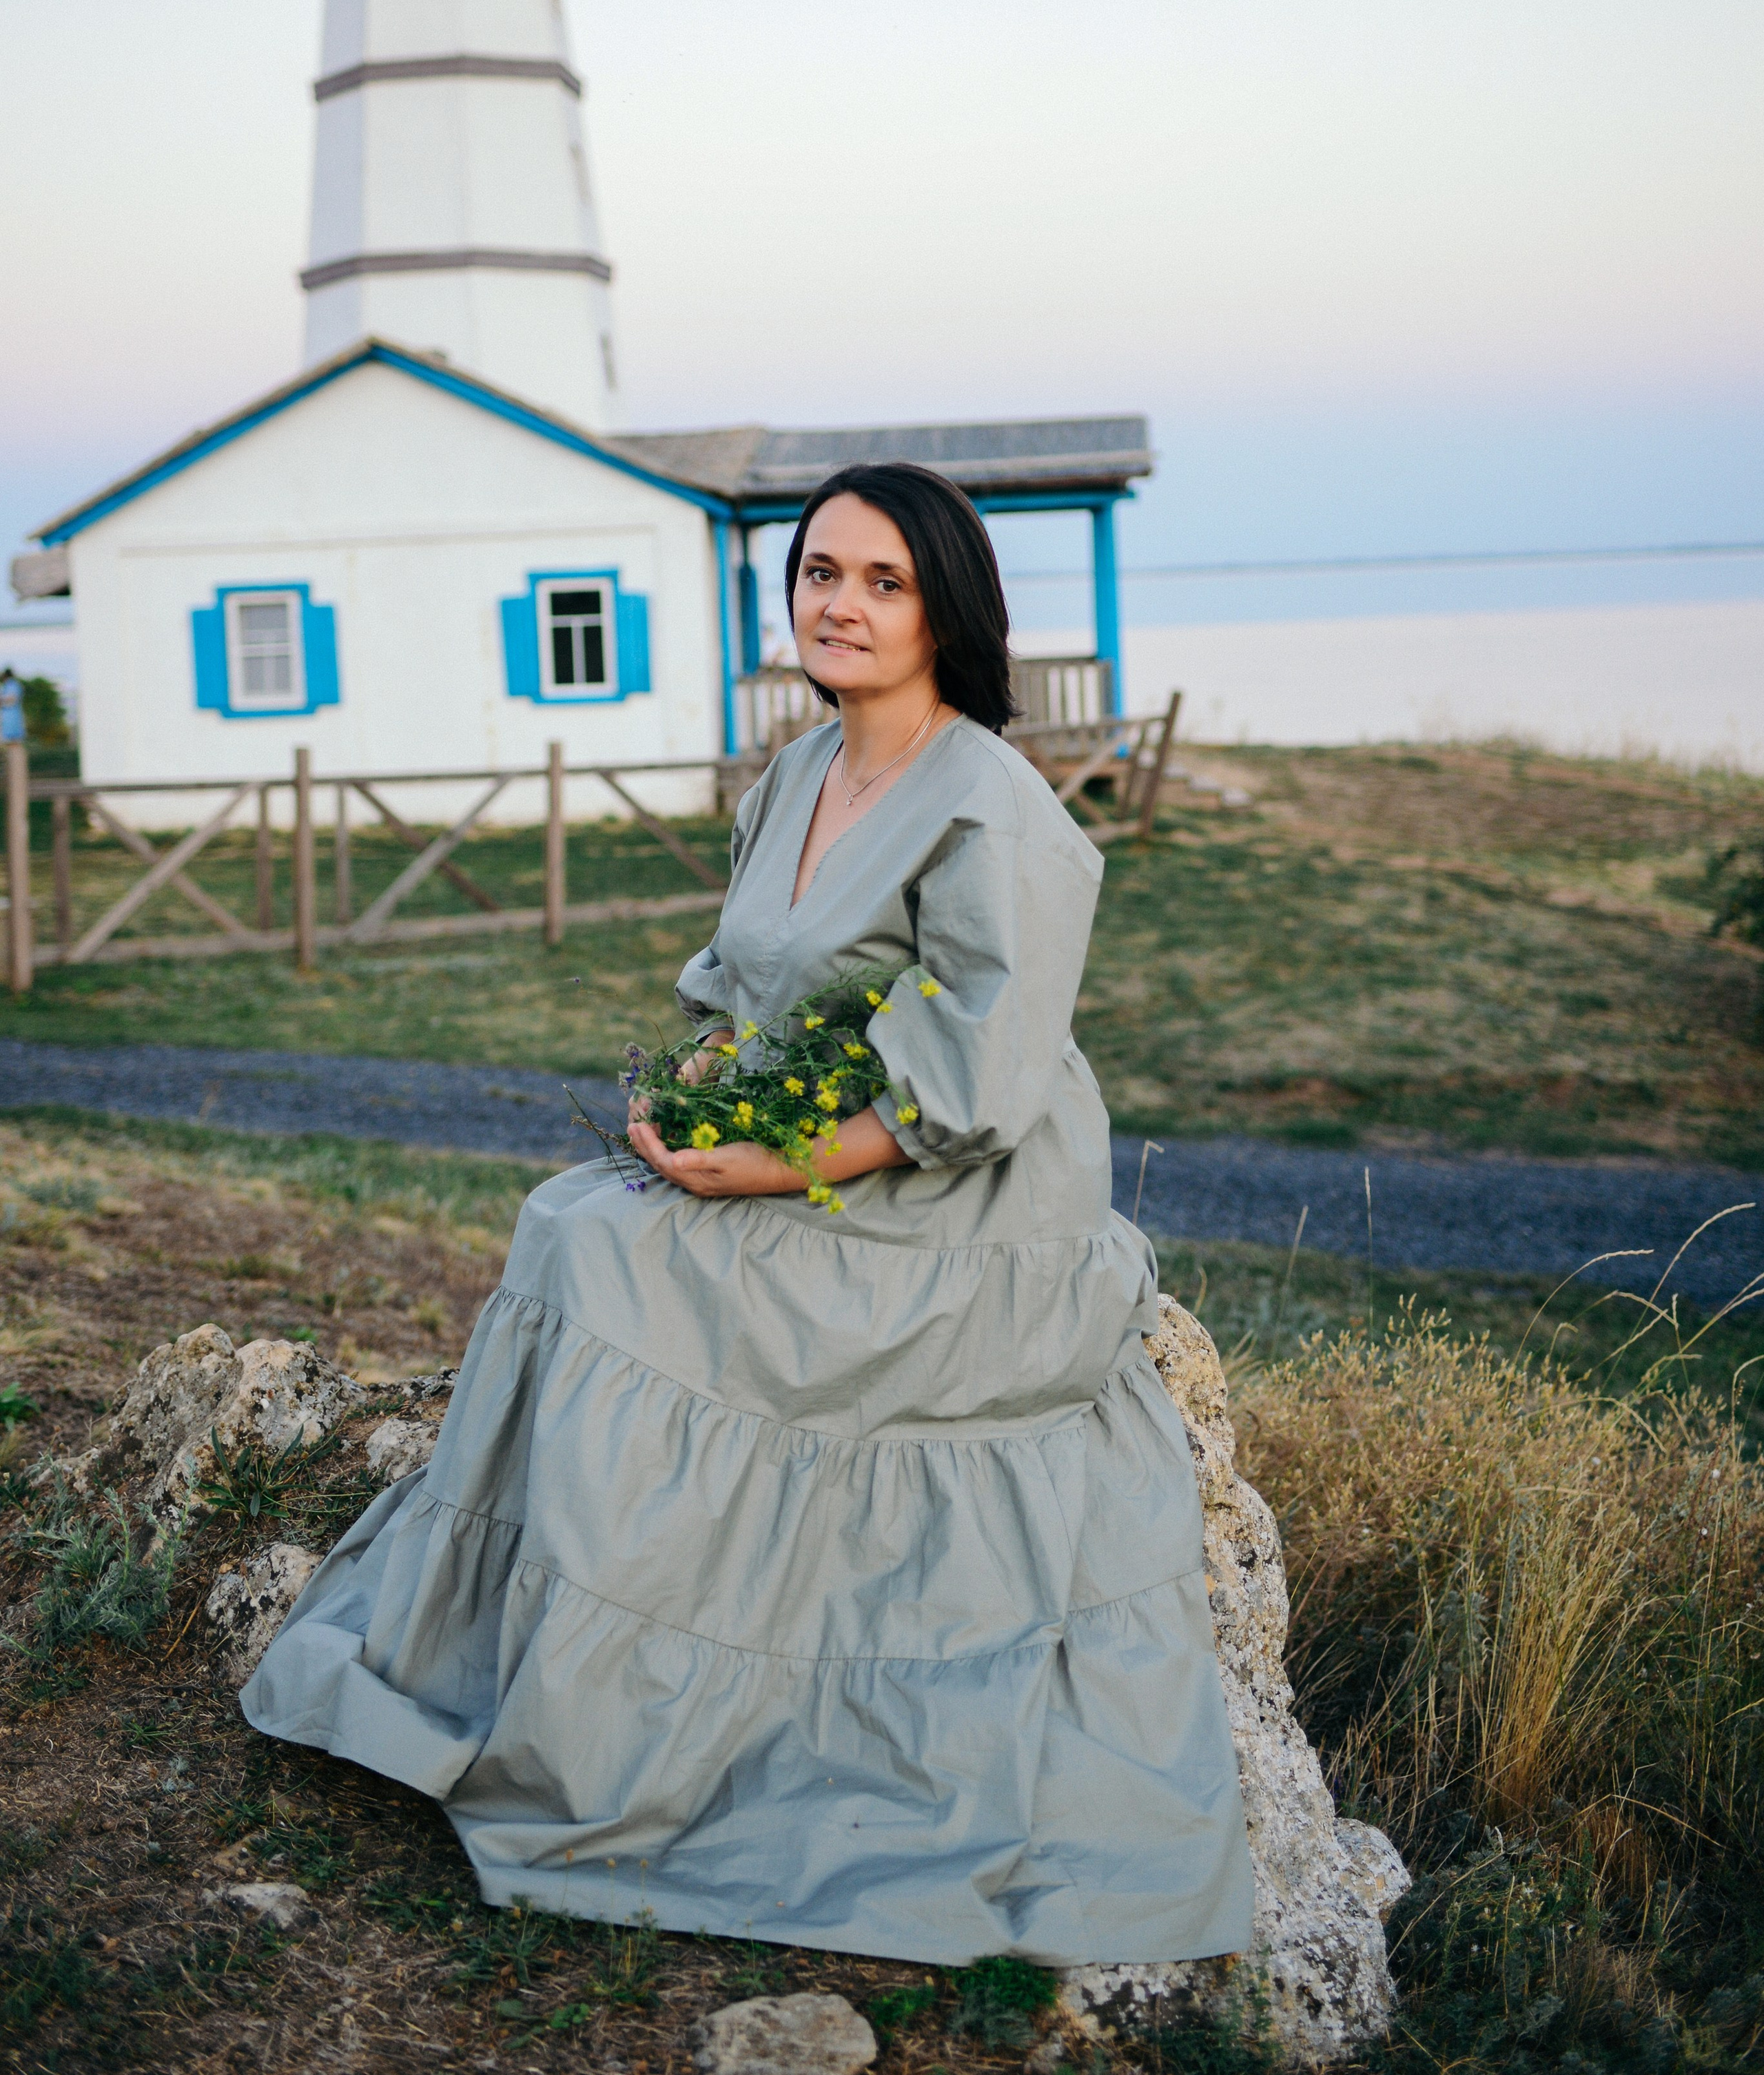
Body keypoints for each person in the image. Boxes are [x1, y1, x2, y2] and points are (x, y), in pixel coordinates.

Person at [243, 463, 1253, 1966]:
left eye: (882, 581)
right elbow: (743, 986)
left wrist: (764, 1169)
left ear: (943, 611)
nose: (839, 604)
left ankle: (648, 1706)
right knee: (569, 1220)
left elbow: (973, 1082)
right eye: (819, 574)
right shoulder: (793, 771)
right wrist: (697, 1095)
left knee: (619, 1259)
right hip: (809, 1132)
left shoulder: (997, 810)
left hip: (954, 1197)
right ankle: (520, 1653)